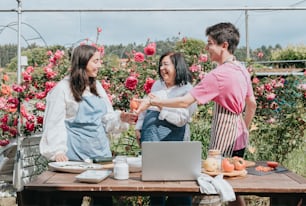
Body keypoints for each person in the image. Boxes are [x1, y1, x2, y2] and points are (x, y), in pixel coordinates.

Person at [136, 22, 257, 206]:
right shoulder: (241, 68)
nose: (206, 48)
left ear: (224, 45)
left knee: (216, 186)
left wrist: (154, 102)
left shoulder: (219, 74)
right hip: (239, 134)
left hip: (224, 134)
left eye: (210, 43)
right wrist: (244, 130)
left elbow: (185, 102)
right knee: (233, 188)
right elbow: (252, 104)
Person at [40, 44, 137, 205]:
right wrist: (57, 151)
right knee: (71, 201)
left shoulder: (96, 86)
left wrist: (121, 118)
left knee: (104, 201)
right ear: (83, 62)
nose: (100, 65)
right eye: (96, 61)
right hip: (74, 157)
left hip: (100, 154)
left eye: (100, 61)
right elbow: (53, 123)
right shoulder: (63, 89)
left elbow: (105, 117)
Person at [135, 52, 197, 206]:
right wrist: (139, 127)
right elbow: (146, 103)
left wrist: (160, 104)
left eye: (166, 64)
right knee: (155, 189)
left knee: (179, 187)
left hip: (174, 141)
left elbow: (181, 119)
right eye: (161, 64)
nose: (162, 68)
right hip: (152, 140)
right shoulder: (157, 84)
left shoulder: (187, 90)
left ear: (177, 66)